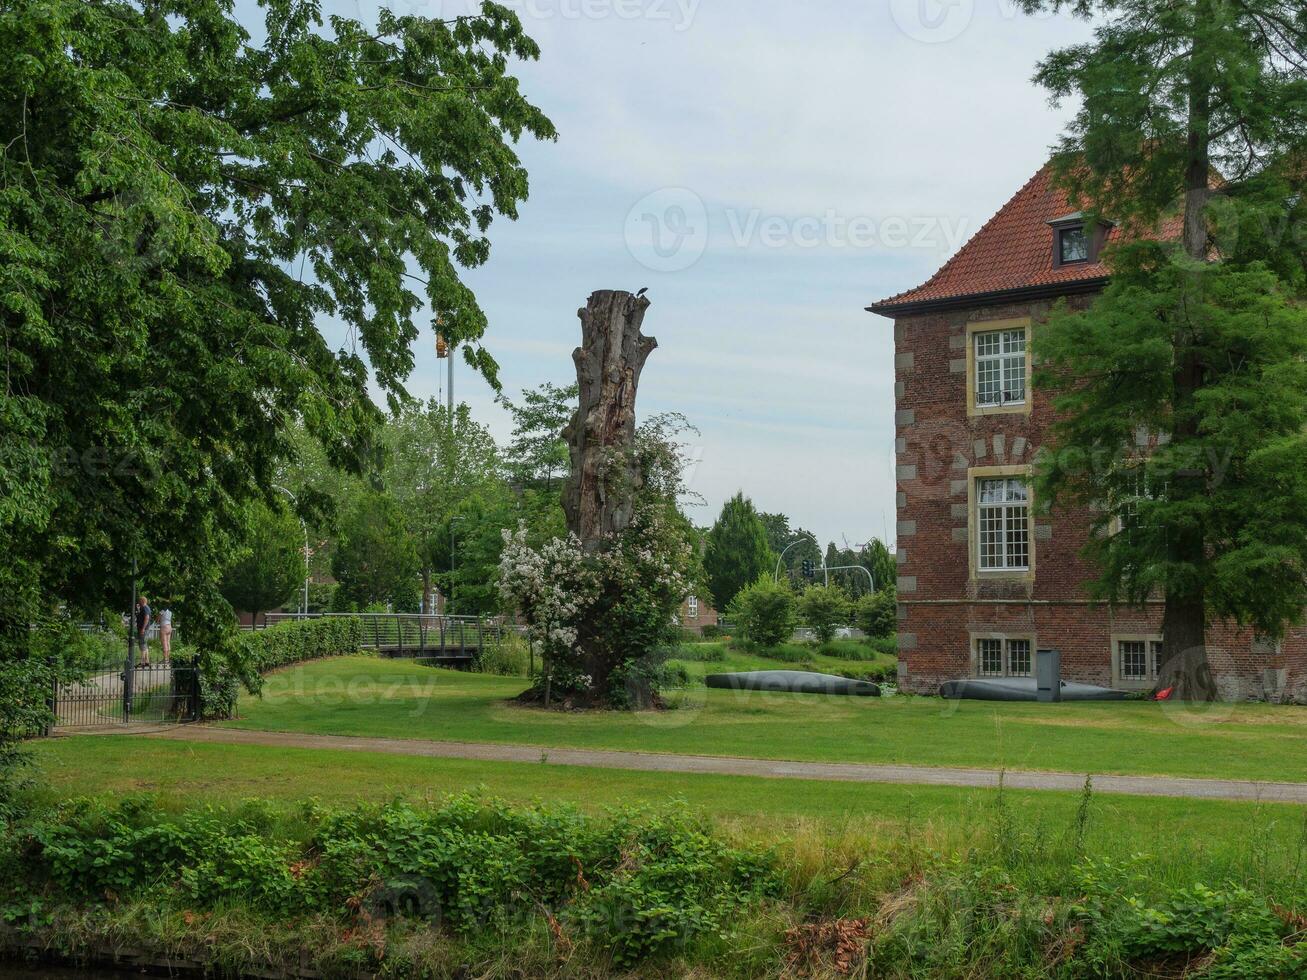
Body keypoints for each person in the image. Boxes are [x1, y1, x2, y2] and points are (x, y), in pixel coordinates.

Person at [135, 595, 152, 667]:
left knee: (142, 644)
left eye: (139, 601)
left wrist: (143, 628)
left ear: (142, 601)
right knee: (145, 644)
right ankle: (147, 661)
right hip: (144, 629)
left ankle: (142, 662)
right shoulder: (144, 608)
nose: (138, 602)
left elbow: (147, 618)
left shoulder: (145, 608)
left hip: (143, 629)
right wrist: (138, 609)